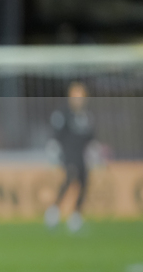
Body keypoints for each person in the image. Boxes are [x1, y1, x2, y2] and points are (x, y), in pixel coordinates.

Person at [44, 81, 95, 232]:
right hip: (68, 153)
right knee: (71, 177)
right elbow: (56, 135)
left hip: (81, 155)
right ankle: (54, 211)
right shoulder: (63, 114)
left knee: (84, 182)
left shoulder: (86, 116)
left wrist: (95, 151)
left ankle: (76, 215)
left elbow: (91, 138)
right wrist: (53, 150)